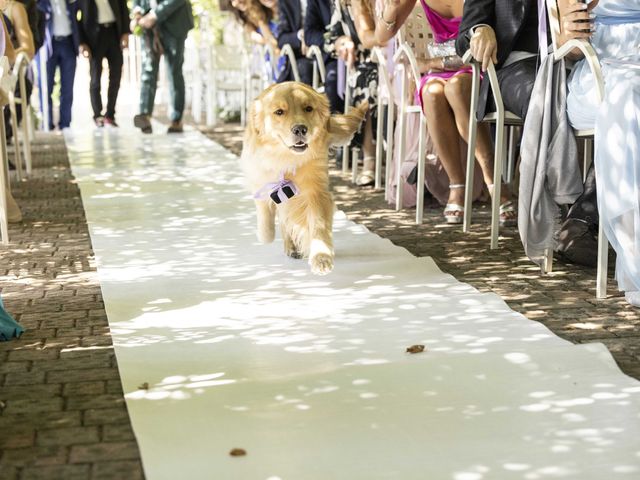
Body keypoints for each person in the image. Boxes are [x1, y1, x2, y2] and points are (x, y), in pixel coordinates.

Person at [374, 0, 516, 224]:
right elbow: (381, 37)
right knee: (431, 91)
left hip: (480, 66)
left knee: (457, 88)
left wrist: (432, 62)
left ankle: (495, 182)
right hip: (442, 72)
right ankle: (456, 185)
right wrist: (391, 10)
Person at [558, 0, 639, 306]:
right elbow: (569, 43)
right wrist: (569, 33)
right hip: (601, 70)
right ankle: (635, 254)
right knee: (627, 99)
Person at [326, 0, 378, 186]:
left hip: (396, 55)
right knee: (369, 81)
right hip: (363, 61)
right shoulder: (340, 3)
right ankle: (370, 160)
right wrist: (342, 41)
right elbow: (331, 36)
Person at [130, 0, 193, 134]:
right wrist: (137, 11)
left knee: (174, 72)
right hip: (148, 27)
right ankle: (145, 116)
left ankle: (176, 120)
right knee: (148, 69)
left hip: (175, 23)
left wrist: (155, 15)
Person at [78, 0, 129, 127]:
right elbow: (77, 19)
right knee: (95, 78)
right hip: (94, 37)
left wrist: (125, 33)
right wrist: (82, 42)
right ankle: (97, 114)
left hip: (113, 33)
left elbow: (123, 8)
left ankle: (110, 114)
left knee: (116, 76)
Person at [37, 0, 80, 130]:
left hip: (68, 44)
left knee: (67, 88)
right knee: (46, 87)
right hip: (48, 47)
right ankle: (47, 123)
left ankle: (65, 124)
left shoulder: (70, 2)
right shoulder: (41, 3)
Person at [305, 0, 343, 114]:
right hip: (335, 57)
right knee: (333, 82)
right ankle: (335, 127)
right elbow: (310, 34)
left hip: (367, 50)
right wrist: (333, 41)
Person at [276, 0, 313, 85]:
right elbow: (282, 39)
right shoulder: (286, 3)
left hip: (325, 51)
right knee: (304, 69)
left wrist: (310, 38)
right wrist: (301, 35)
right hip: (301, 58)